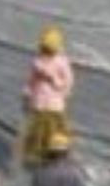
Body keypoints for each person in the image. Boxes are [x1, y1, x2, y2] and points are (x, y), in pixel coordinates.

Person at [17, 25, 74, 169]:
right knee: (38, 131)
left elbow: (68, 81)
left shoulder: (62, 62)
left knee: (55, 130)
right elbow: (31, 80)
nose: (46, 52)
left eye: (50, 49)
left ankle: (58, 155)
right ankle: (38, 156)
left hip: (55, 104)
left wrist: (54, 80)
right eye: (45, 48)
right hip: (40, 103)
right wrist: (27, 93)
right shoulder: (37, 62)